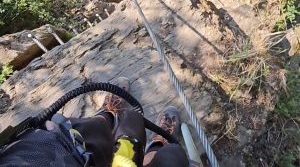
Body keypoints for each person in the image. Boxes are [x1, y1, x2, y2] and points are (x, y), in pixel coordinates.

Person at [0, 77, 190, 167]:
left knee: (114, 122)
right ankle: (156, 145)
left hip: (46, 151)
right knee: (174, 155)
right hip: (61, 154)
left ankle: (106, 115)